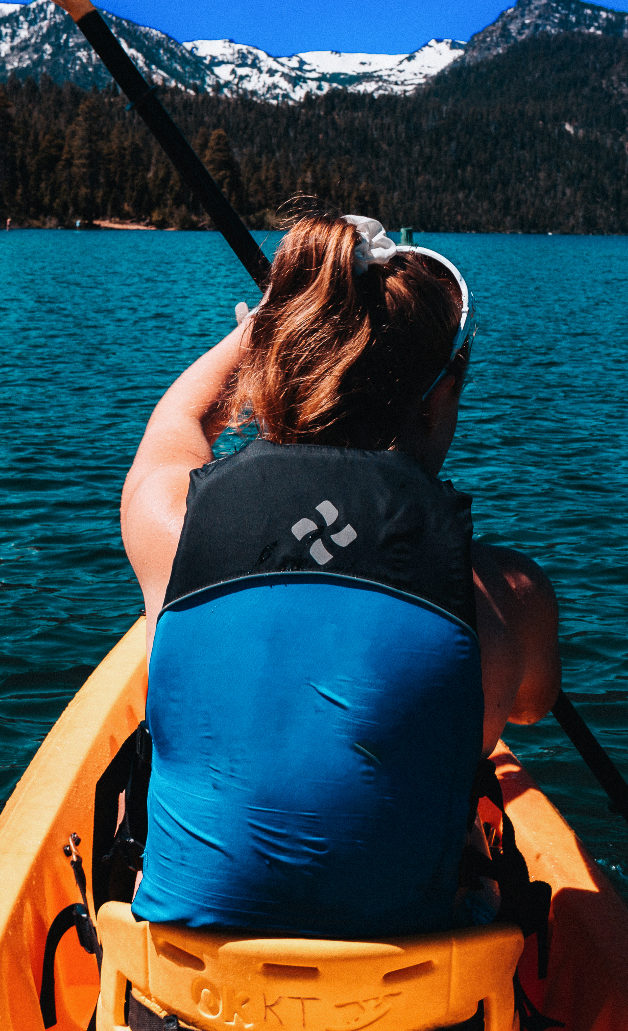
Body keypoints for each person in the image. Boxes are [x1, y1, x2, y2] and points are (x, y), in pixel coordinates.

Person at [118, 211, 561, 938]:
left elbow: (174, 424)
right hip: (416, 1007)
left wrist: (255, 327)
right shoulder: (509, 599)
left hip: (186, 1005)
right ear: (444, 395)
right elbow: (532, 706)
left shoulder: (174, 529)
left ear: (270, 367)